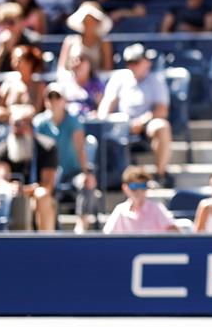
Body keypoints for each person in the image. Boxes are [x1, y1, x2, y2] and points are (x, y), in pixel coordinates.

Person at [98, 43, 173, 185]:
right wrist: (103, 119)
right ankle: (108, 178)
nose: (133, 66)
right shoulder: (120, 77)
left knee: (161, 126)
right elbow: (108, 102)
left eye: (137, 62)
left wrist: (142, 121)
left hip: (146, 125)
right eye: (131, 62)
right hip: (121, 124)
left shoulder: (156, 79)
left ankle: (160, 174)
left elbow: (162, 110)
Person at [33, 83, 99, 232]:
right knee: (44, 190)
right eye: (50, 97)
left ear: (64, 101)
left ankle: (81, 225)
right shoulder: (40, 122)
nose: (54, 100)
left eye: (58, 97)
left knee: (85, 183)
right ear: (45, 101)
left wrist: (86, 173)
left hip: (73, 172)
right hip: (50, 173)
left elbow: (80, 148)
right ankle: (51, 229)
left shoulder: (73, 120)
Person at [0, 104, 58, 230]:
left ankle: (47, 244)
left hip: (37, 196)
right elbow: (1, 179)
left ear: (31, 127)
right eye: (15, 125)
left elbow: (47, 185)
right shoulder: (3, 149)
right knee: (13, 198)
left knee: (42, 195)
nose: (18, 130)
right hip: (13, 197)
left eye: (22, 124)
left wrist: (26, 190)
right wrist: (11, 187)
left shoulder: (47, 147)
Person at [103, 166, 179, 234]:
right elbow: (107, 235)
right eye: (134, 186)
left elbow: (175, 232)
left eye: (143, 186)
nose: (139, 190)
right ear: (125, 188)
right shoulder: (120, 210)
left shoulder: (157, 208)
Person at [58, 1, 113, 74]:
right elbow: (61, 69)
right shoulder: (70, 41)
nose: (88, 24)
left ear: (98, 22)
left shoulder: (104, 43)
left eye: (92, 21)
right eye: (85, 21)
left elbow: (107, 70)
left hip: (96, 83)